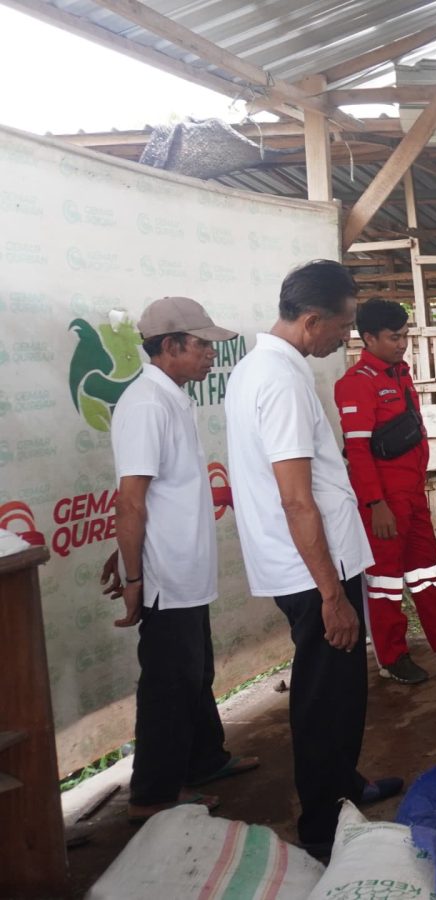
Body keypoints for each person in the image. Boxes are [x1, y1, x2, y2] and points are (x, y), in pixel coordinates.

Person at [225, 261, 402, 856]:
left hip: (318, 561)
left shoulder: (266, 369)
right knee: (325, 697)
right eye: (344, 326)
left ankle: (343, 785)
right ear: (311, 320)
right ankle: (324, 825)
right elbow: (297, 498)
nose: (345, 338)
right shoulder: (277, 380)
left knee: (342, 689)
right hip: (312, 570)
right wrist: (330, 593)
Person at [105, 297, 257, 824]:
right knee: (170, 681)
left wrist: (124, 551)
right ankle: (153, 793)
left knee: (195, 671)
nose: (212, 355)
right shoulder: (147, 404)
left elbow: (147, 496)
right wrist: (133, 576)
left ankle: (204, 760)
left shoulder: (169, 397)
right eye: (203, 345)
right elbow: (130, 497)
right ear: (170, 346)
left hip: (183, 568)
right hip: (165, 574)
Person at [335, 299, 436, 685]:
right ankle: (392, 656)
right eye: (393, 337)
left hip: (413, 493)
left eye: (404, 336)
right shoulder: (357, 383)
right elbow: (357, 450)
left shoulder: (399, 373)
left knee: (424, 568)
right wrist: (376, 503)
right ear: (368, 338)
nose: (402, 343)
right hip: (384, 501)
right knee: (385, 580)